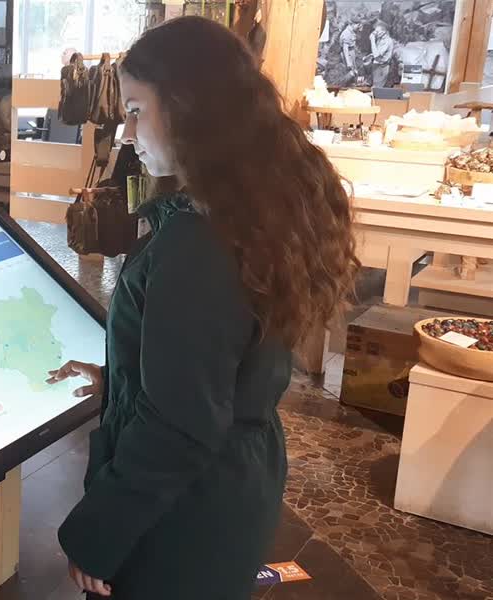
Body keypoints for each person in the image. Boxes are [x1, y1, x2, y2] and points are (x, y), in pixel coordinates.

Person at [47, 17, 359, 599]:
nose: (127, 133)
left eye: (136, 110)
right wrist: (125, 378)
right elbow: (223, 365)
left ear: (187, 107)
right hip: (231, 487)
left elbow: (180, 426)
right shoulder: (253, 212)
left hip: (183, 515)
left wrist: (96, 534)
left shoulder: (197, 243)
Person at [369, 21, 396, 88]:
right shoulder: (380, 39)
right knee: (374, 87)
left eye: (377, 32)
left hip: (382, 67)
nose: (374, 33)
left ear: (384, 32)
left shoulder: (387, 41)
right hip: (377, 66)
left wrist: (372, 41)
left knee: (377, 88)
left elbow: (377, 55)